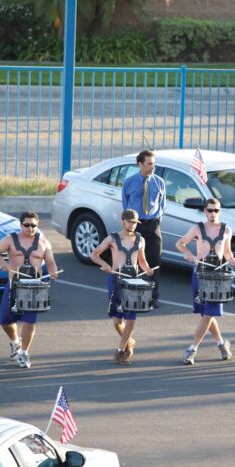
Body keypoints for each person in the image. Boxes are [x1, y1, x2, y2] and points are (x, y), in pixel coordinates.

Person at [0, 212, 58, 369]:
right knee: (5, 321)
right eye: (27, 225)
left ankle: (24, 353)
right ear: (21, 225)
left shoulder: (44, 243)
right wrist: (2, 263)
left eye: (33, 225)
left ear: (37, 225)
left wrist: (53, 271)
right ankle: (15, 342)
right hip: (14, 285)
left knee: (29, 322)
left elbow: (51, 262)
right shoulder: (11, 239)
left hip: (34, 287)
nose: (30, 228)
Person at [176, 198, 235, 365]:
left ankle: (192, 349)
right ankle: (222, 345)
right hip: (200, 274)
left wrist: (231, 260)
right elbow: (180, 243)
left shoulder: (226, 230)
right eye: (210, 210)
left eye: (216, 210)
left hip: (217, 277)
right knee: (206, 314)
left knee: (209, 313)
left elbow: (227, 252)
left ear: (220, 211)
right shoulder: (197, 228)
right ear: (204, 211)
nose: (213, 213)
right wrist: (189, 255)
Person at [91, 209, 153, 365]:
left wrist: (147, 269)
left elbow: (142, 261)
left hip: (133, 283)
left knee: (131, 320)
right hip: (116, 281)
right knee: (117, 321)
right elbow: (94, 254)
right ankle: (130, 341)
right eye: (130, 222)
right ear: (123, 221)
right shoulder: (112, 238)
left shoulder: (140, 240)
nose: (132, 225)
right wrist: (105, 265)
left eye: (135, 223)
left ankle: (121, 351)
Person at [122, 150, 165, 307]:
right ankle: (135, 294)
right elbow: (125, 204)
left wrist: (156, 220)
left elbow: (162, 205)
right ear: (140, 164)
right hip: (136, 226)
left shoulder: (159, 182)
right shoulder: (129, 182)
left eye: (154, 163)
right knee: (135, 261)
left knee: (154, 262)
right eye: (149, 163)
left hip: (153, 225)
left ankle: (153, 297)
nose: (153, 166)